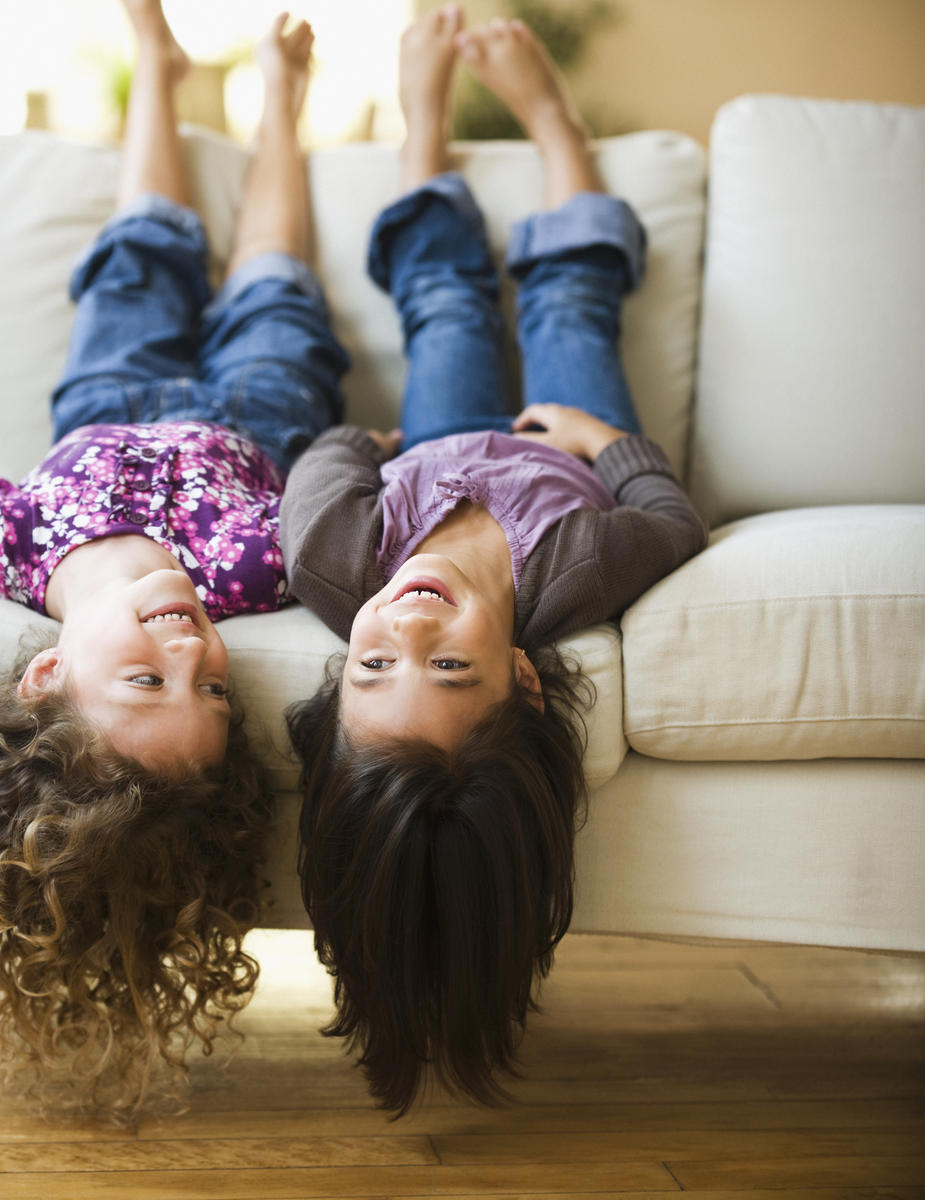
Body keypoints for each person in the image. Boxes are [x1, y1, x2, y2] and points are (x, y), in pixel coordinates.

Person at [0, 0, 348, 1118]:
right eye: (209, 686)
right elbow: (336, 504)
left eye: (148, 679)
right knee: (270, 276)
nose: (192, 647)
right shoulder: (247, 575)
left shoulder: (3, 555)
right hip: (262, 409)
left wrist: (38, 557)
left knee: (141, 245)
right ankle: (281, 106)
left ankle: (156, 64)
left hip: (101, 399)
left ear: (44, 671)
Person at [280, 6, 708, 1115]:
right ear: (523, 675)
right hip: (553, 444)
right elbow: (669, 522)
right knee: (572, 304)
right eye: (451, 671)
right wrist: (605, 446)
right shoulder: (571, 581)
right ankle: (554, 126)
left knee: (444, 307)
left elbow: (313, 482)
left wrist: (364, 444)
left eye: (372, 672)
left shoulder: (339, 569)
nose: (406, 632)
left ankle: (421, 129)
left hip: (435, 442)